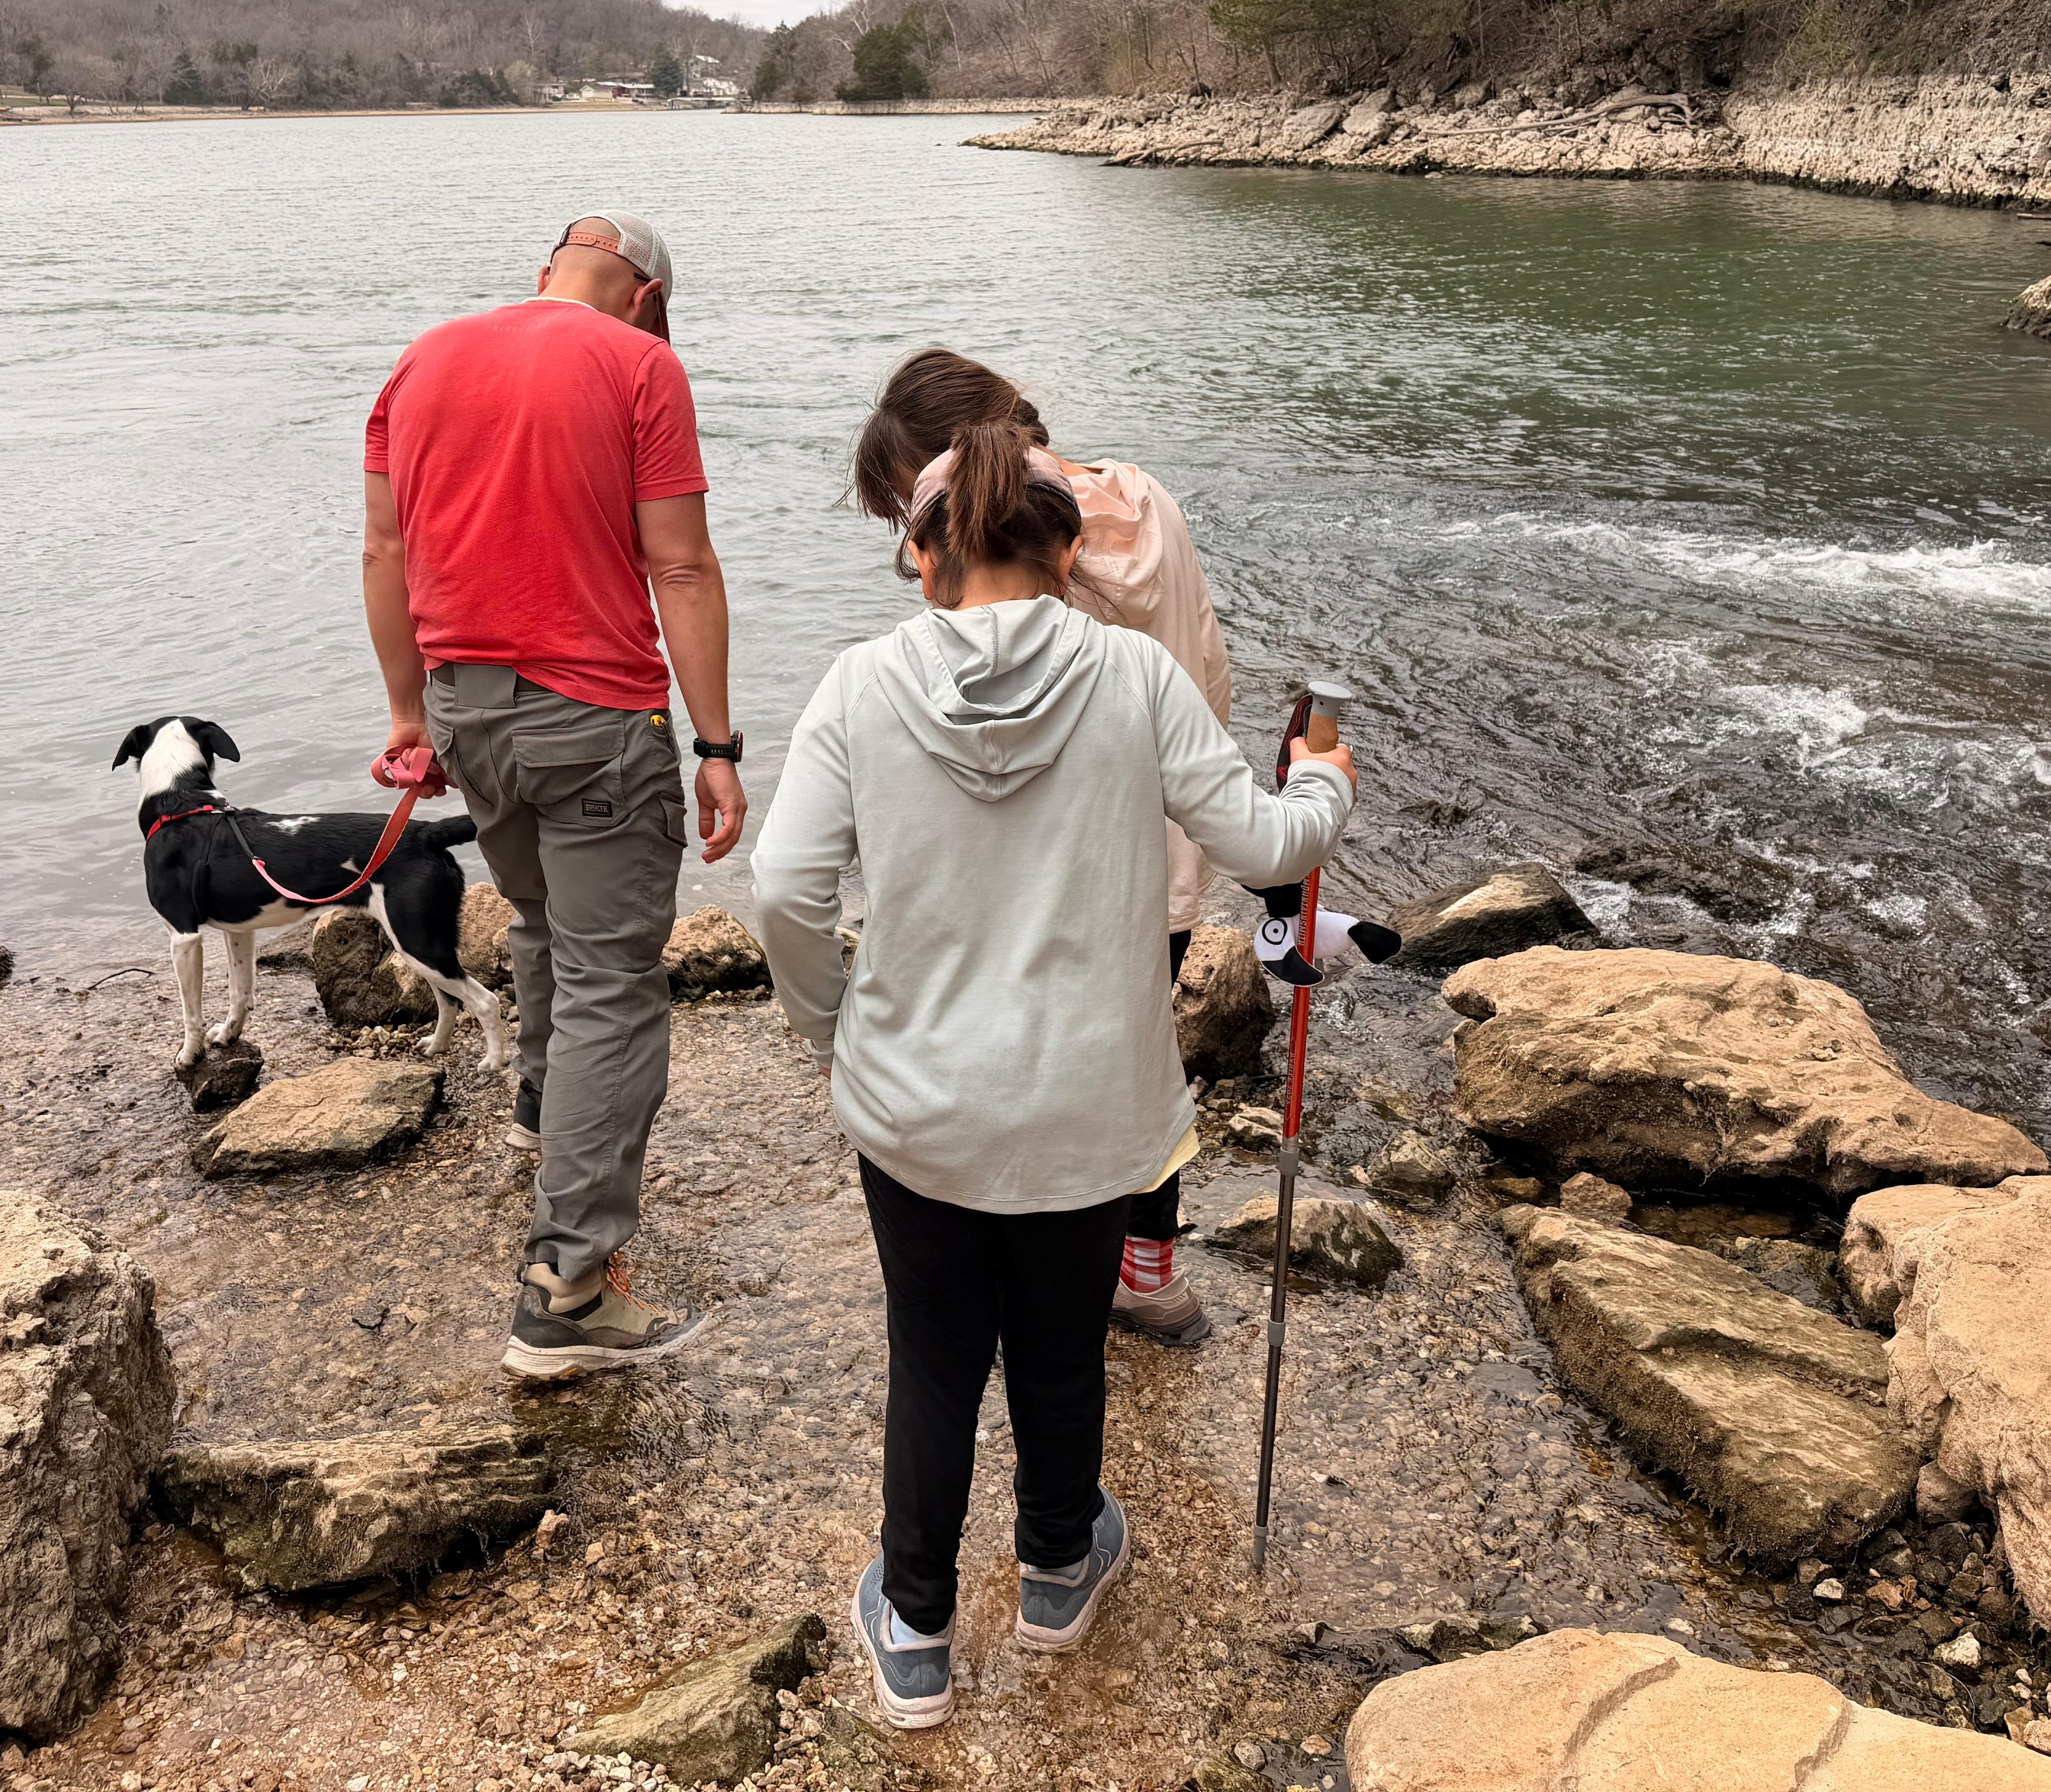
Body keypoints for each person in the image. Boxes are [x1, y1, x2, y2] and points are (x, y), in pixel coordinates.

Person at [752, 421, 1355, 1727]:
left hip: (916, 1105)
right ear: (1070, 554)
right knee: (1062, 1353)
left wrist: (832, 1029)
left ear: (919, 558)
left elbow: (785, 891)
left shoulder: (859, 685)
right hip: (1094, 1100)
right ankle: (1054, 1569)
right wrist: (1324, 784)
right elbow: (1263, 845)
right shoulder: (1136, 679)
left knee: (932, 1356)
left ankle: (914, 1628)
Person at [361, 212, 745, 1379]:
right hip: (594, 725)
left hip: (467, 709)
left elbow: (386, 553)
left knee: (538, 925)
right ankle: (568, 1291)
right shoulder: (642, 364)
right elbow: (678, 563)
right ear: (642, 298)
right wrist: (718, 742)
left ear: (545, 275)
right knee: (612, 986)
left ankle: (540, 1118)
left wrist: (410, 716)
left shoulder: (423, 357)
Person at [850, 349, 1232, 1345]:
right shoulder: (1146, 497)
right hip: (1169, 846)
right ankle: (1151, 1275)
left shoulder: (1032, 559)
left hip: (1072, 864)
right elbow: (1209, 657)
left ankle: (1034, 1253)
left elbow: (1002, 731)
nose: (920, 537)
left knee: (1052, 1058)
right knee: (1143, 1055)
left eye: (912, 505)